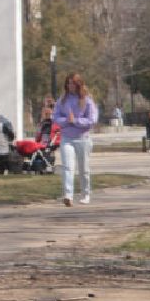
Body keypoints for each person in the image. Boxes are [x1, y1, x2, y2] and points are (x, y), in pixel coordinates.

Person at [55, 71, 98, 206]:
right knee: (68, 167)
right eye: (68, 83)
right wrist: (67, 120)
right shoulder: (62, 100)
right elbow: (56, 117)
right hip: (67, 138)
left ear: (79, 84)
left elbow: (92, 120)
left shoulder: (87, 100)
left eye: (73, 83)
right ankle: (68, 195)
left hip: (82, 138)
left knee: (83, 169)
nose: (70, 86)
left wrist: (77, 121)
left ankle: (85, 194)